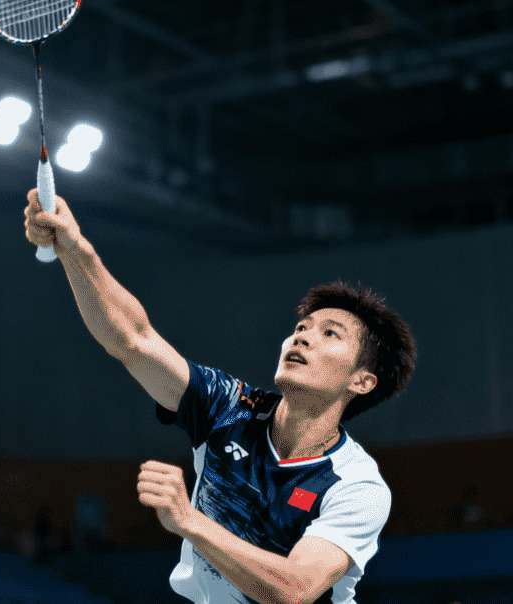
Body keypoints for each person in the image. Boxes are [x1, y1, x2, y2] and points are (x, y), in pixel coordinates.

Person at [23, 190, 418, 604]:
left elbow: (295, 590)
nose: (302, 337)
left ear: (361, 382)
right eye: (301, 327)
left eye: (329, 333)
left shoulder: (357, 485)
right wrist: (74, 248)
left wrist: (189, 520)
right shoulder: (229, 407)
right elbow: (133, 339)